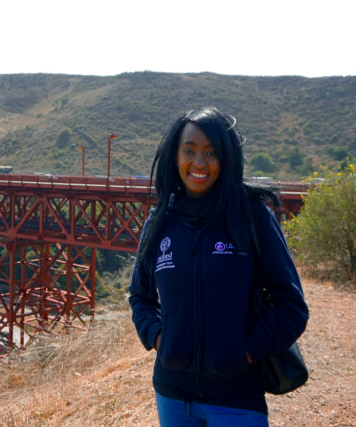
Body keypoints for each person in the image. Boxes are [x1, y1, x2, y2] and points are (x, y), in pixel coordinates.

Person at [129, 107, 308, 426]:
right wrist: (159, 339)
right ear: (175, 155)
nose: (199, 163)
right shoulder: (159, 223)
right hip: (172, 394)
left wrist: (247, 352)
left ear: (226, 159)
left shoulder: (252, 217)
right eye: (190, 150)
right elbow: (140, 298)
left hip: (236, 397)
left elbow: (292, 306)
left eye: (211, 153)